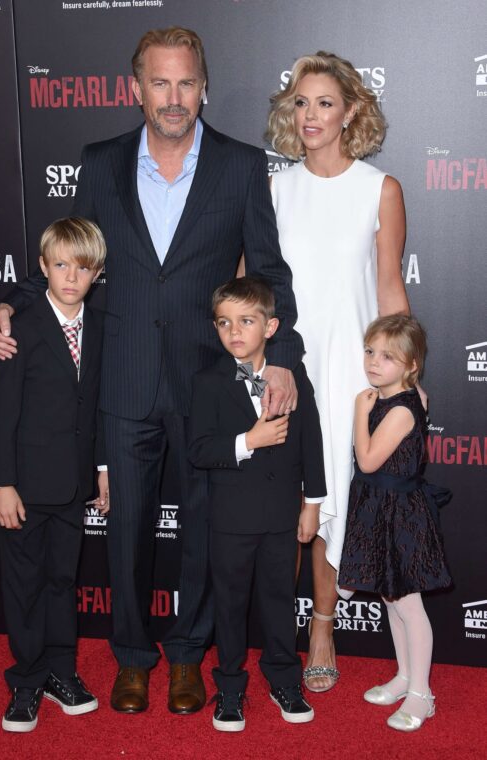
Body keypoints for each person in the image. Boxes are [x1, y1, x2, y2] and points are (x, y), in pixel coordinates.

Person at [0, 27, 303, 715]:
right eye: (160, 82)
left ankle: (188, 655)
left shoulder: (241, 165)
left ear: (203, 87)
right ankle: (133, 657)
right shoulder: (98, 163)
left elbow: (271, 276)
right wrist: (9, 304)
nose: (174, 97)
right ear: (136, 89)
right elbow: (67, 255)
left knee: (203, 533)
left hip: (208, 386)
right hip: (120, 384)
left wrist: (284, 357)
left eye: (186, 82)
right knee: (124, 534)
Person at [266, 51, 410, 692]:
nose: (311, 115)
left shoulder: (379, 189)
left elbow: (388, 291)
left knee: (333, 502)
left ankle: (322, 625)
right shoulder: (274, 186)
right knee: (278, 501)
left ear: (351, 110)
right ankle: (270, 634)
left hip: (350, 366)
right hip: (285, 367)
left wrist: (403, 374)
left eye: (325, 102)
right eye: (301, 102)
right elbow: (255, 290)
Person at [0, 218, 109, 732]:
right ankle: (26, 682)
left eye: (82, 268)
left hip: (74, 483)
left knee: (62, 581)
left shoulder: (99, 327)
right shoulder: (22, 326)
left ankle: (61, 672)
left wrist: (102, 470)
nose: (71, 276)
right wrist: (2, 483)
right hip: (26, 487)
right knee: (24, 586)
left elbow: (95, 406)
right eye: (60, 265)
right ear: (43, 268)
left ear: (96, 274)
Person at [188, 277, 326, 731]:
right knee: (229, 605)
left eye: (246, 321)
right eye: (224, 322)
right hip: (229, 520)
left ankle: (284, 677)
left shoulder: (292, 378)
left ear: (270, 327)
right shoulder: (207, 381)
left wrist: (312, 503)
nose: (234, 331)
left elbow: (311, 441)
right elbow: (199, 450)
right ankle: (229, 685)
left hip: (281, 516)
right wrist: (250, 440)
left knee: (279, 599)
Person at [338, 315, 451, 731]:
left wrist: (357, 413)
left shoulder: (400, 409)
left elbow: (367, 460)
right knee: (390, 599)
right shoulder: (399, 396)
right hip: (381, 509)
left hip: (402, 515)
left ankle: (422, 693)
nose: (373, 362)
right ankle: (404, 676)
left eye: (387, 357)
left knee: (409, 604)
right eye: (370, 351)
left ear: (410, 365)